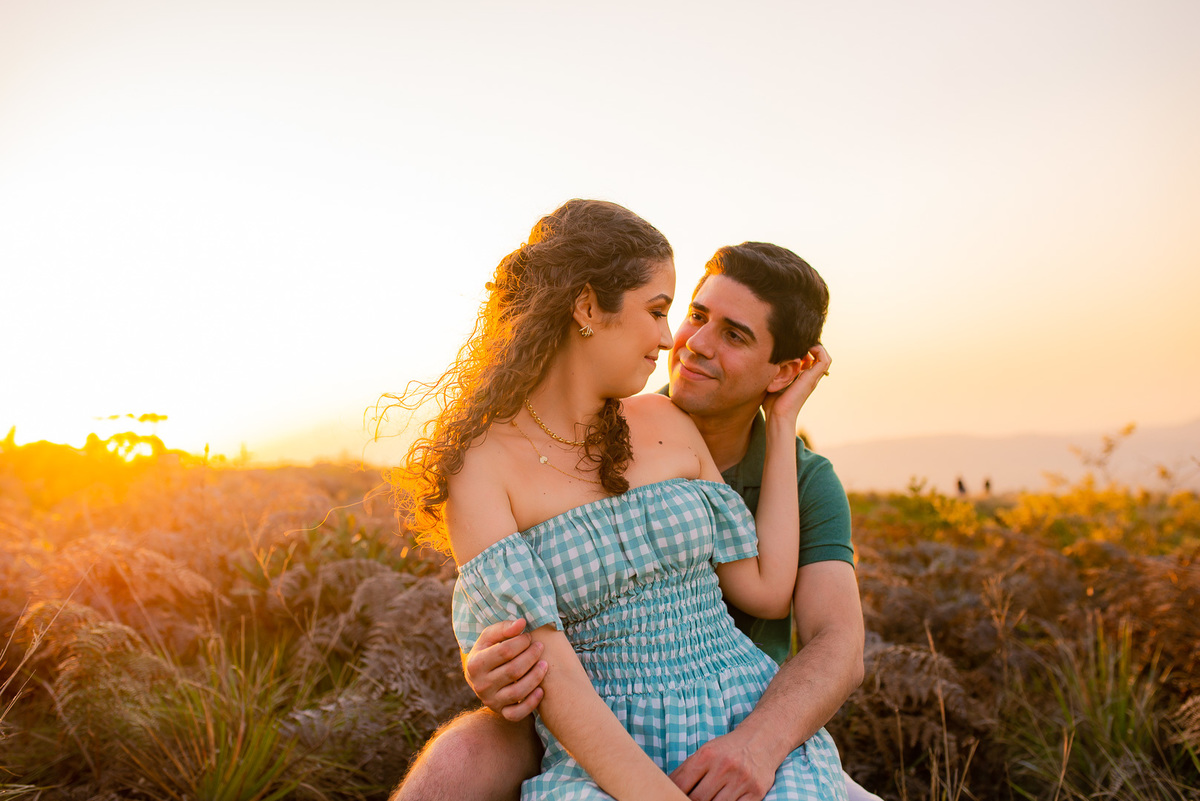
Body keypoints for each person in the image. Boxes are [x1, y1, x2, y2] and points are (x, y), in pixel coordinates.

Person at [391, 199, 849, 801]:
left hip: (742, 714)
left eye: (732, 334)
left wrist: (783, 421)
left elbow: (771, 591)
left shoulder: (667, 422)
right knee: (455, 759)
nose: (673, 341)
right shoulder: (481, 470)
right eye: (667, 311)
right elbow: (547, 671)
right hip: (601, 740)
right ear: (586, 307)